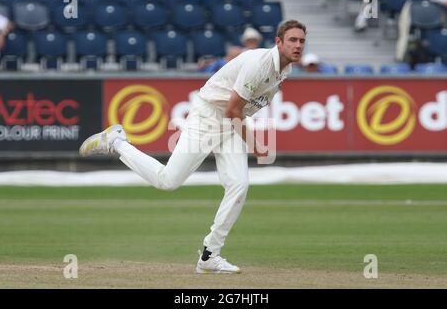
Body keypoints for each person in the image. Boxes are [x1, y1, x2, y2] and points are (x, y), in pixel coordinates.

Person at [79, 20, 306, 274]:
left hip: (230, 122)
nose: (298, 46)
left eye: (301, 41)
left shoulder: (284, 70)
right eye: (292, 40)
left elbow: (239, 111)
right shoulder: (260, 63)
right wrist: (256, 145)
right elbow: (233, 109)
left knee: (239, 185)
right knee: (168, 181)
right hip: (210, 116)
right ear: (279, 42)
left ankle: (210, 255)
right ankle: (117, 141)